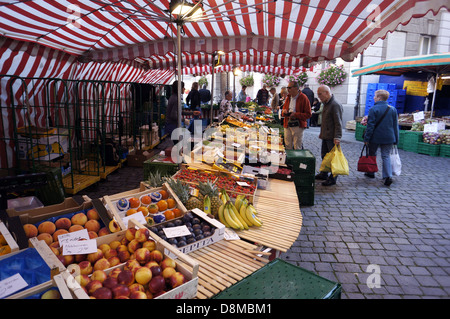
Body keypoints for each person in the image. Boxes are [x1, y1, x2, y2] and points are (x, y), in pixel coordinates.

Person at [363, 89, 399, 186]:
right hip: (389, 137)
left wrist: (366, 139)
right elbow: (395, 126)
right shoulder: (392, 109)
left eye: (375, 96)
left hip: (375, 137)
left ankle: (371, 172)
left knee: (372, 154)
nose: (374, 98)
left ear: (379, 98)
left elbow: (370, 126)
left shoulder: (373, 109)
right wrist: (396, 139)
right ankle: (388, 176)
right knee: (385, 156)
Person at [315, 85, 343, 186]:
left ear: (327, 93)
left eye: (320, 94)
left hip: (332, 137)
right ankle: (324, 173)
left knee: (333, 158)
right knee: (325, 156)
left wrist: (337, 137)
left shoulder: (335, 104)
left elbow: (338, 123)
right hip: (326, 135)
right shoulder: (326, 103)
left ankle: (333, 177)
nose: (319, 97)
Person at [281, 81, 311, 150]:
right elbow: (283, 110)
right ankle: (289, 160)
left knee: (297, 146)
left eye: (289, 88)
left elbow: (308, 114)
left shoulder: (303, 98)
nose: (288, 89)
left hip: (298, 125)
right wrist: (284, 111)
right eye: (287, 87)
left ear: (296, 88)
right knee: (287, 145)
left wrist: (296, 114)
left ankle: (297, 160)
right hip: (287, 123)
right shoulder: (288, 97)